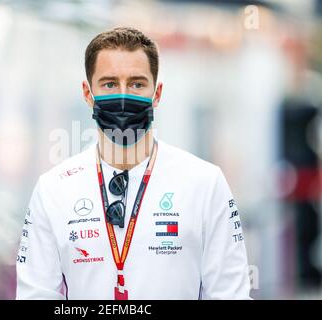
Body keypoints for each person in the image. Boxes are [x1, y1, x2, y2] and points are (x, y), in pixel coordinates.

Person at [16, 27, 251, 300]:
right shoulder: (53, 189)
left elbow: (230, 295)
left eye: (137, 84)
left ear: (157, 93)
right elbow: (36, 295)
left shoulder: (205, 182)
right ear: (87, 93)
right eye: (110, 84)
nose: (124, 96)